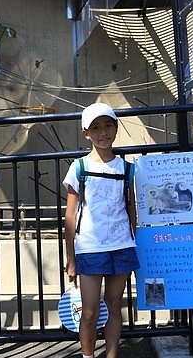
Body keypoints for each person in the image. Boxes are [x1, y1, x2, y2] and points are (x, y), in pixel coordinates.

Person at [62, 102, 139, 358]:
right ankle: (87, 356)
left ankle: (112, 355)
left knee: (115, 305)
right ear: (86, 132)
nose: (102, 132)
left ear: (116, 128)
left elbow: (131, 208)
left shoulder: (127, 169)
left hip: (121, 245)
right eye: (95, 127)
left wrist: (134, 241)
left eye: (107, 125)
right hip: (90, 247)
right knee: (89, 311)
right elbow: (70, 216)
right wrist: (70, 258)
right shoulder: (79, 167)